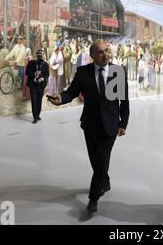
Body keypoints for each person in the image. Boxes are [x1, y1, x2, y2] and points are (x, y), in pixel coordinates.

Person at [48, 41, 129, 215]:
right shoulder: (83, 72)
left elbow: (124, 101)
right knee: (96, 160)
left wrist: (123, 123)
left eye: (107, 50)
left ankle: (93, 199)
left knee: (101, 161)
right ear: (92, 56)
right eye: (100, 52)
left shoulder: (118, 72)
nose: (106, 54)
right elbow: (72, 92)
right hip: (90, 124)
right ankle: (104, 181)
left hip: (110, 124)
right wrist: (61, 98)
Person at [25, 50, 49, 124]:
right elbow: (27, 72)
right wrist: (34, 73)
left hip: (41, 85)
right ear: (37, 55)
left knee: (39, 101)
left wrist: (43, 79)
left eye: (42, 54)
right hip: (33, 85)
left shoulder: (46, 65)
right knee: (34, 101)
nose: (41, 56)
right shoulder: (31, 62)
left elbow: (47, 75)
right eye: (39, 54)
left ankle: (38, 115)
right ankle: (35, 117)